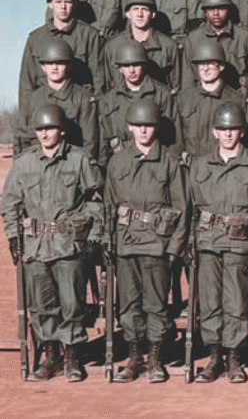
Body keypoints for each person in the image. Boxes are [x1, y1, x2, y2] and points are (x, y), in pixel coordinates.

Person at [2, 103, 104, 382]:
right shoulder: (24, 163)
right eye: (40, 129)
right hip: (35, 246)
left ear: (61, 131)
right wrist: (13, 235)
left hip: (69, 245)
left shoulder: (79, 160)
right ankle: (52, 356)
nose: (45, 134)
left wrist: (92, 237)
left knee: (72, 304)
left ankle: (73, 357)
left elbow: (95, 201)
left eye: (50, 128)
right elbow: (9, 202)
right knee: (43, 305)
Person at [104, 100, 189, 383]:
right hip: (126, 244)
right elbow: (109, 205)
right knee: (129, 304)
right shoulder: (118, 162)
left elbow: (182, 208)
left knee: (155, 304)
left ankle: (155, 358)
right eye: (138, 125)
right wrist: (109, 243)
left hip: (157, 245)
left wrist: (174, 249)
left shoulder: (170, 161)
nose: (143, 131)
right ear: (129, 128)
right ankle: (134, 357)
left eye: (148, 125)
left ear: (156, 128)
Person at [189, 103, 248, 384]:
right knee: (210, 302)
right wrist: (190, 243)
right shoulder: (199, 165)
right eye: (222, 129)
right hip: (208, 243)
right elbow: (190, 208)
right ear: (214, 132)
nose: (227, 134)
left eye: (233, 129)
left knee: (237, 302)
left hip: (239, 243)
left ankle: (235, 358)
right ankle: (214, 358)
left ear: (242, 132)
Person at [20, 0, 103, 110]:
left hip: (78, 106)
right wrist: (25, 123)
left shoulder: (89, 35)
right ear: (50, 4)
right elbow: (26, 84)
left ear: (75, 4)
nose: (63, 7)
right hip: (44, 106)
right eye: (58, 2)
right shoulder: (35, 38)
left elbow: (98, 78)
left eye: (68, 2)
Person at [16, 39, 99, 162]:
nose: (54, 67)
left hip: (72, 164)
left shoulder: (83, 98)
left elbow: (90, 142)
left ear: (69, 66)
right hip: (39, 164)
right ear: (43, 67)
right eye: (49, 63)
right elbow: (24, 137)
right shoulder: (35, 98)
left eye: (60, 63)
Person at [98, 41, 177, 168]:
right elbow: (103, 139)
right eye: (126, 65)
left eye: (136, 64)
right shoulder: (108, 99)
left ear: (144, 65)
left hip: (155, 161)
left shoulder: (162, 94)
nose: (131, 70)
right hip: (120, 163)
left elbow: (171, 137)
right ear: (119, 69)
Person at [174, 40, 247, 160]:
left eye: (210, 63)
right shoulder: (184, 99)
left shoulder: (236, 99)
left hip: (224, 166)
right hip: (191, 167)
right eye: (201, 64)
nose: (205, 69)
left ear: (221, 66)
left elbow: (243, 138)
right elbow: (176, 139)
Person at [103, 0, 181, 90]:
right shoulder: (112, 46)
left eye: (145, 9)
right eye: (135, 9)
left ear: (152, 14)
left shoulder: (168, 46)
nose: (140, 14)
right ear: (128, 14)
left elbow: (176, 85)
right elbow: (108, 84)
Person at [182, 0, 248, 91]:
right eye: (211, 9)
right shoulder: (193, 39)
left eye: (221, 8)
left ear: (228, 10)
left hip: (237, 96)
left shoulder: (245, 38)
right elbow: (187, 81)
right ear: (205, 12)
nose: (216, 13)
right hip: (203, 97)